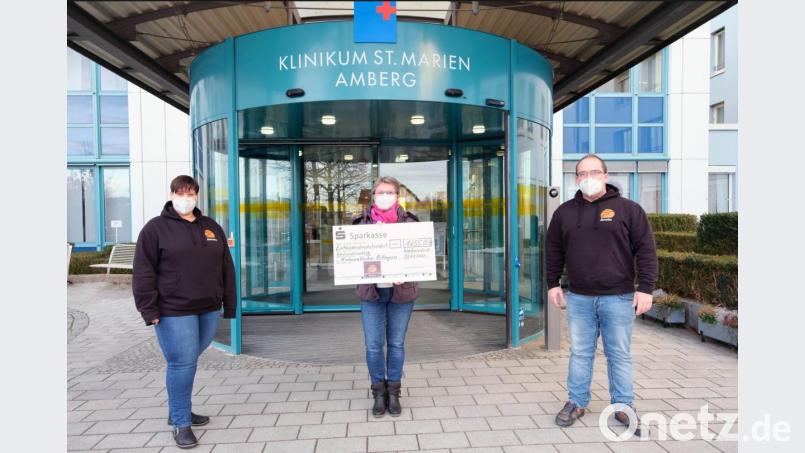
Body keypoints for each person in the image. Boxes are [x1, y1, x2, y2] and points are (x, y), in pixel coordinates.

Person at [546, 155, 658, 436]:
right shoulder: (564, 213)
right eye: (582, 173)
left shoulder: (629, 210)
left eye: (594, 172)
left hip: (618, 297)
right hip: (580, 298)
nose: (588, 177)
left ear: (606, 175)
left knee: (618, 354)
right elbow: (553, 251)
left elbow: (646, 251)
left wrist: (645, 288)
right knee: (580, 353)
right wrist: (553, 284)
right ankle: (577, 402)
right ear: (575, 179)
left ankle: (623, 406)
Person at [133, 175, 236, 449]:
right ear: (171, 194)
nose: (185, 197)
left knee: (187, 358)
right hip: (173, 310)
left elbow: (227, 268)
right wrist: (149, 309)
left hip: (208, 308)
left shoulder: (211, 227)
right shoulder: (155, 229)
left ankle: (178, 409)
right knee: (182, 362)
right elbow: (143, 272)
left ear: (197, 196)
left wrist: (230, 303)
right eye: (180, 192)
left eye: (190, 193)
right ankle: (181, 422)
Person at [353, 176, 420, 418]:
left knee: (396, 344)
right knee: (373, 346)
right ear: (374, 195)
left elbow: (419, 256)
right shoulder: (360, 223)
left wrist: (407, 271)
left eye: (389, 192)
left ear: (397, 196)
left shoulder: (411, 222)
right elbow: (352, 258)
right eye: (380, 192)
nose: (384, 196)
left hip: (401, 292)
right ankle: (378, 393)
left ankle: (394, 392)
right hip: (371, 292)